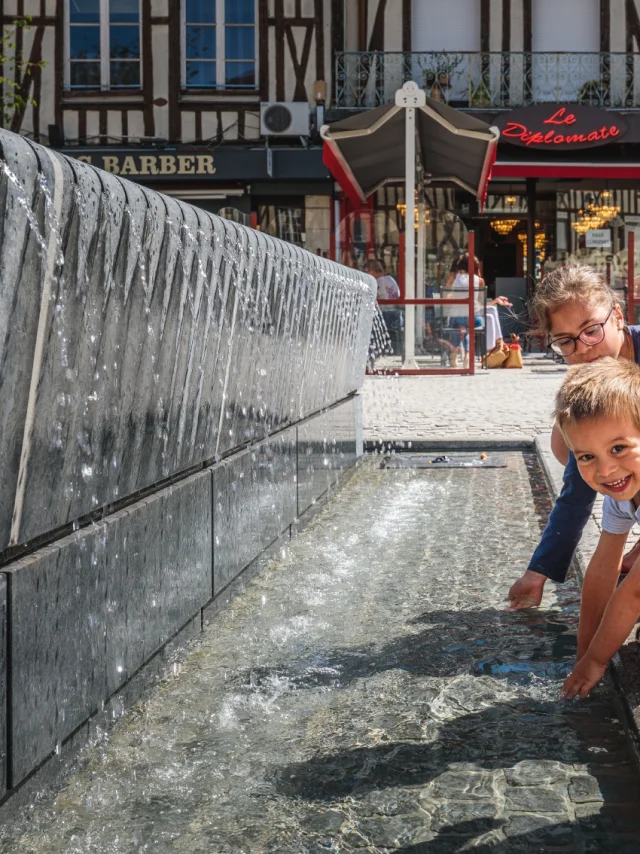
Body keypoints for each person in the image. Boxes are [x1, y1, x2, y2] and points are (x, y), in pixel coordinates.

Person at [507, 265, 640, 611]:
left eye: (591, 331)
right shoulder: (593, 378)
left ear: (618, 317)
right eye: (565, 341)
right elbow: (578, 486)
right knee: (567, 442)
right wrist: (538, 572)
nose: (582, 350)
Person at [553, 358, 640, 698]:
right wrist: (583, 652)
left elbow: (633, 592)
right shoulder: (621, 492)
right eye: (586, 457)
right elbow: (603, 569)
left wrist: (596, 660)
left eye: (618, 448)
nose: (606, 471)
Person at [442, 253, 511, 366]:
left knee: (460, 325)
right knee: (468, 327)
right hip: (475, 319)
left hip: (458, 318)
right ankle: (468, 356)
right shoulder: (479, 280)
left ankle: (454, 356)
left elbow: (445, 297)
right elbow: (480, 305)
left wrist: (455, 296)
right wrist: (495, 301)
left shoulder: (454, 277)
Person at [365, 258, 403, 355]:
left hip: (388, 316)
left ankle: (371, 352)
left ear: (372, 271)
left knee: (365, 321)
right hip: (396, 316)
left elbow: (371, 297)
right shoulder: (390, 279)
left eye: (366, 272)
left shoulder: (379, 281)